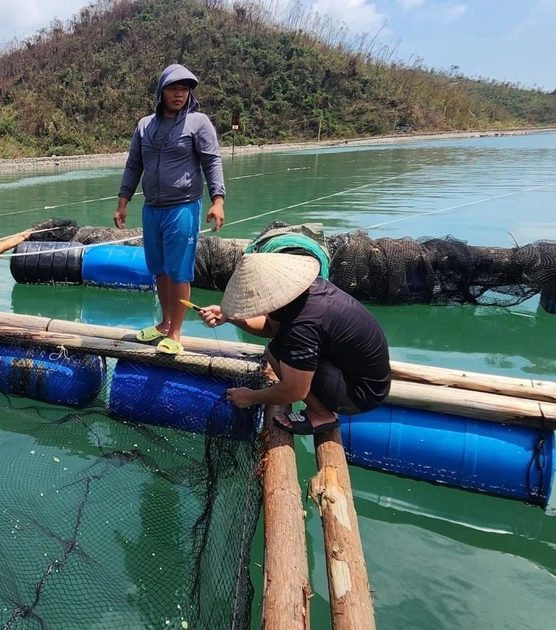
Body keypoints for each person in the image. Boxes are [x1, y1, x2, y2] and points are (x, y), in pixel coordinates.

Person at [198, 253, 391, 435]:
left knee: (282, 353)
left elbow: (295, 391)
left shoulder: (303, 326)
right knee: (275, 349)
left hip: (360, 394)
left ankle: (320, 414)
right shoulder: (305, 291)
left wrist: (251, 397)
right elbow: (270, 329)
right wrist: (229, 317)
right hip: (352, 370)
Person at [115, 63, 226, 355]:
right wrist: (123, 202)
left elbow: (211, 161)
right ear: (161, 92)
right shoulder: (144, 125)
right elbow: (133, 165)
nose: (179, 94)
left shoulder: (198, 122)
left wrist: (218, 200)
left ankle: (176, 333)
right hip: (152, 208)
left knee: (179, 271)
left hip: (183, 207)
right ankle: (164, 323)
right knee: (160, 269)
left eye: (184, 89)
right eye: (173, 88)